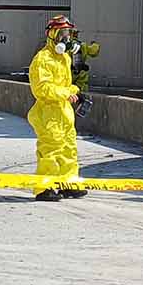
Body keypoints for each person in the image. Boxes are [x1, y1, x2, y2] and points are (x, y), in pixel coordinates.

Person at [28, 14, 87, 202]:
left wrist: (75, 91)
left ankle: (68, 184)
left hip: (64, 111)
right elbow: (42, 88)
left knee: (69, 148)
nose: (66, 38)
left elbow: (64, 84)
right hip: (48, 113)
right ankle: (44, 188)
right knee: (50, 150)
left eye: (68, 33)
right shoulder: (43, 59)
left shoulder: (64, 59)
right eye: (62, 33)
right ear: (52, 34)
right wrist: (65, 93)